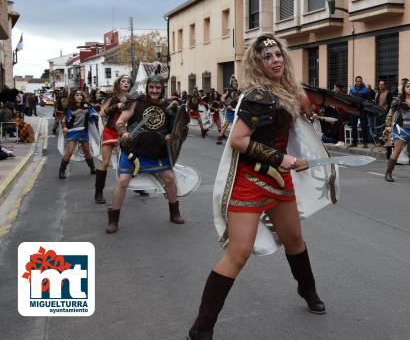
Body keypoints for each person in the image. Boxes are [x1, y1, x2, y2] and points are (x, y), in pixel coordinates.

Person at [186, 34, 336, 340]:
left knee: (294, 239)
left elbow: (305, 114)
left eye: (278, 54)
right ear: (258, 63)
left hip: (280, 182)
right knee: (238, 254)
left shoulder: (289, 91)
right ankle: (201, 329)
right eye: (267, 57)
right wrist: (284, 158)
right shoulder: (257, 96)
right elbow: (239, 140)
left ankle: (307, 290)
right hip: (250, 181)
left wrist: (320, 112)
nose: (275, 60)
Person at [105, 76, 184, 233]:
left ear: (162, 89)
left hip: (157, 150)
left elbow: (177, 128)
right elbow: (120, 121)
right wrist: (123, 132)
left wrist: (171, 136)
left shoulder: (170, 106)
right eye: (152, 87)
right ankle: (113, 218)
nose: (154, 91)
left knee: (169, 178)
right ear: (147, 88)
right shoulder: (136, 102)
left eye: (158, 88)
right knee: (123, 181)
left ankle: (174, 212)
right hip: (133, 150)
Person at [94, 75, 133, 204]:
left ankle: (138, 187)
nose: (126, 83)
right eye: (123, 81)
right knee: (105, 162)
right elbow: (102, 113)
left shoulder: (134, 99)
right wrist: (117, 106)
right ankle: (98, 193)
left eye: (128, 81)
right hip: (110, 132)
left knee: (132, 160)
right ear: (119, 83)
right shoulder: (111, 97)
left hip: (125, 133)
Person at [58, 90, 98, 179]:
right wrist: (64, 127)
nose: (79, 96)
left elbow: (95, 116)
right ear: (73, 97)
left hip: (84, 131)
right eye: (77, 95)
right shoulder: (69, 108)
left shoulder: (87, 106)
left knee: (87, 151)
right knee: (69, 151)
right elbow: (63, 120)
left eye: (80, 95)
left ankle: (92, 168)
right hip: (72, 131)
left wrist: (94, 114)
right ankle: (61, 171)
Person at [348, 76, 371, 148]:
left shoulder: (365, 90)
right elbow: (349, 99)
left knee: (364, 126)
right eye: (358, 81)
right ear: (355, 81)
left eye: (360, 81)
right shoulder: (352, 90)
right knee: (353, 126)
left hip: (362, 110)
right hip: (354, 110)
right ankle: (354, 142)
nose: (359, 82)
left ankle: (365, 143)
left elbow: (368, 100)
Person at [217, 77, 241, 145]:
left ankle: (236, 139)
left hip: (237, 110)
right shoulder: (229, 91)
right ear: (231, 84)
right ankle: (220, 137)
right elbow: (222, 98)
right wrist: (227, 105)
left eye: (236, 83)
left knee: (238, 124)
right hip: (230, 110)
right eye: (233, 83)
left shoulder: (239, 91)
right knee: (226, 123)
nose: (235, 84)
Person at [374, 80, 392, 145]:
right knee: (378, 129)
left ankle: (385, 142)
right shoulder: (377, 93)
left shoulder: (388, 93)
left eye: (382, 84)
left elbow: (390, 104)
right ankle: (379, 142)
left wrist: (387, 113)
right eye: (380, 84)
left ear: (385, 85)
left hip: (384, 113)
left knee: (385, 128)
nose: (381, 86)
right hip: (377, 113)